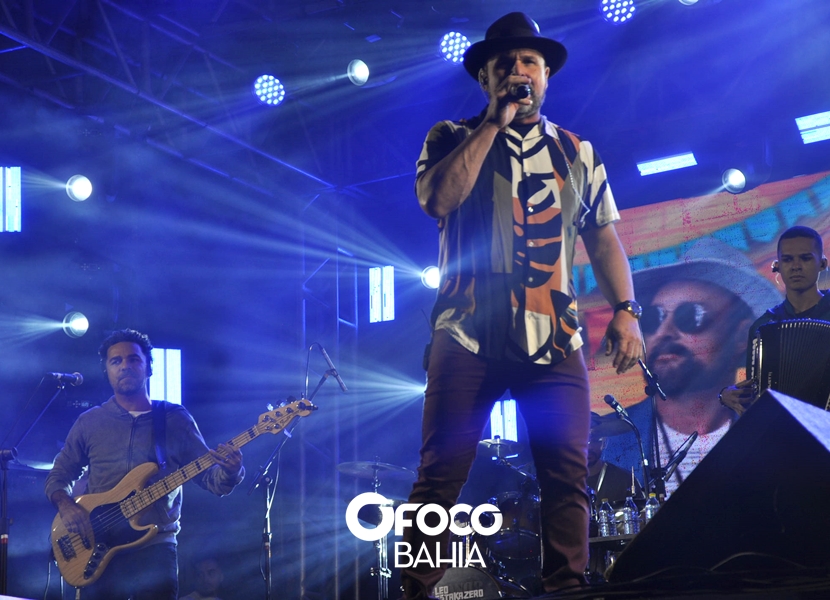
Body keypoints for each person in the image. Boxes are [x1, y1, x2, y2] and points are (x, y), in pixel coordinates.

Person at [404, 12, 643, 598]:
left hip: (554, 334)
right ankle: (417, 589)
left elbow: (603, 238)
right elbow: (437, 200)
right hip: (467, 331)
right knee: (439, 477)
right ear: (485, 79)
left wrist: (627, 309)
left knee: (567, 473)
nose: (519, 70)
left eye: (530, 61)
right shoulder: (450, 136)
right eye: (505, 63)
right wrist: (494, 122)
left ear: (546, 75)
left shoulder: (576, 151)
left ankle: (567, 586)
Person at [45, 329, 244, 600]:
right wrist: (66, 506)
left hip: (155, 547)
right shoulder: (89, 421)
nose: (124, 366)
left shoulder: (175, 418)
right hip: (96, 546)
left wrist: (231, 471)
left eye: (133, 359)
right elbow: (59, 474)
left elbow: (211, 478)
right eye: (116, 361)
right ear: (107, 370)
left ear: (149, 367)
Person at [603, 239, 780, 496]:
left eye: (690, 316)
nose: (664, 332)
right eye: (653, 318)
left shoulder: (769, 431)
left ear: (742, 335)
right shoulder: (607, 440)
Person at [721, 225, 830, 414]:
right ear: (777, 266)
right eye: (787, 260)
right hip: (781, 428)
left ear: (822, 264)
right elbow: (753, 392)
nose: (796, 266)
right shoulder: (763, 326)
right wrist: (726, 395)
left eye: (805, 258)